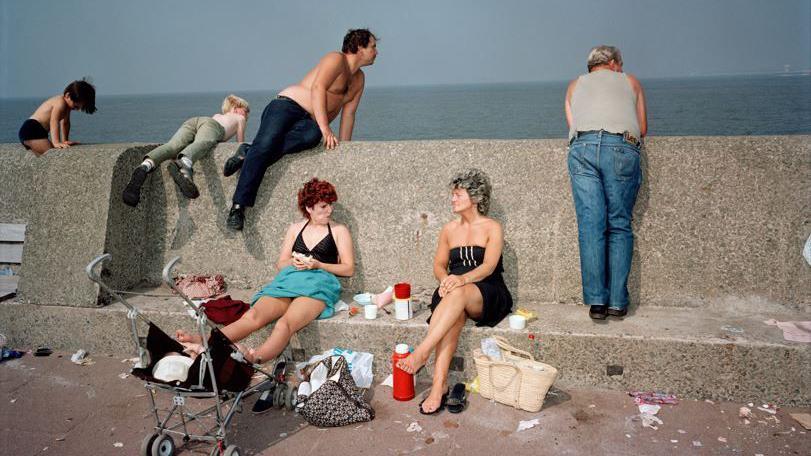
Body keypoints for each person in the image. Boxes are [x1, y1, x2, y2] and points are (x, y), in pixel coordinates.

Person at [176, 178, 354, 366]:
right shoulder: (295, 228)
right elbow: (281, 264)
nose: (330, 211)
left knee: (284, 324)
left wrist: (318, 264)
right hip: (289, 281)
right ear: (309, 208)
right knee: (252, 317)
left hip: (318, 285)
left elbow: (348, 269)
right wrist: (294, 262)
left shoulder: (338, 230)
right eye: (323, 207)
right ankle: (202, 340)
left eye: (330, 205)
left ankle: (253, 359)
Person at [224, 29, 378, 230]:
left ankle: (247, 152)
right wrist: (325, 127)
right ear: (359, 47)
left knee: (312, 136)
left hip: (309, 122)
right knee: (267, 143)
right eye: (373, 46)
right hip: (287, 106)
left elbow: (349, 114)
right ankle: (238, 207)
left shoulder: (359, 79)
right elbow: (318, 88)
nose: (376, 52)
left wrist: (345, 147)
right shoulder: (336, 59)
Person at [396, 169, 513, 414]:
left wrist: (461, 280)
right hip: (453, 287)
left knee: (457, 295)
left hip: (486, 289)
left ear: (476, 198)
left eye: (458, 195)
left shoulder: (492, 227)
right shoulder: (449, 229)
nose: (452, 199)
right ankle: (439, 387)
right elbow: (439, 265)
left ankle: (422, 351)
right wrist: (446, 278)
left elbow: (489, 266)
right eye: (453, 195)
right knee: (454, 316)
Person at [564, 45, 648, 320]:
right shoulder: (630, 81)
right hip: (620, 147)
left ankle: (597, 303)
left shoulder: (574, 85)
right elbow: (642, 128)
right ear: (613, 63)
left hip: (583, 148)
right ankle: (617, 302)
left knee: (591, 226)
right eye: (620, 65)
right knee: (619, 224)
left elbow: (573, 124)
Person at [122, 94, 250, 207]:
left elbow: (204, 131)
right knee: (204, 143)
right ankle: (185, 163)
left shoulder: (217, 115)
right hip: (213, 127)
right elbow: (240, 144)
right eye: (245, 111)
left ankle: (145, 166)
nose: (246, 115)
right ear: (235, 108)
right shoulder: (240, 119)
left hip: (194, 121)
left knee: (172, 146)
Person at [18, 79, 97, 156]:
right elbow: (54, 121)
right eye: (76, 106)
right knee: (49, 150)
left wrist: (65, 140)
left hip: (41, 132)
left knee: (50, 148)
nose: (77, 109)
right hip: (30, 129)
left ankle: (31, 144)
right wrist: (56, 142)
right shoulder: (60, 102)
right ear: (67, 95)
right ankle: (29, 143)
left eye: (79, 108)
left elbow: (65, 123)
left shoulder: (67, 107)